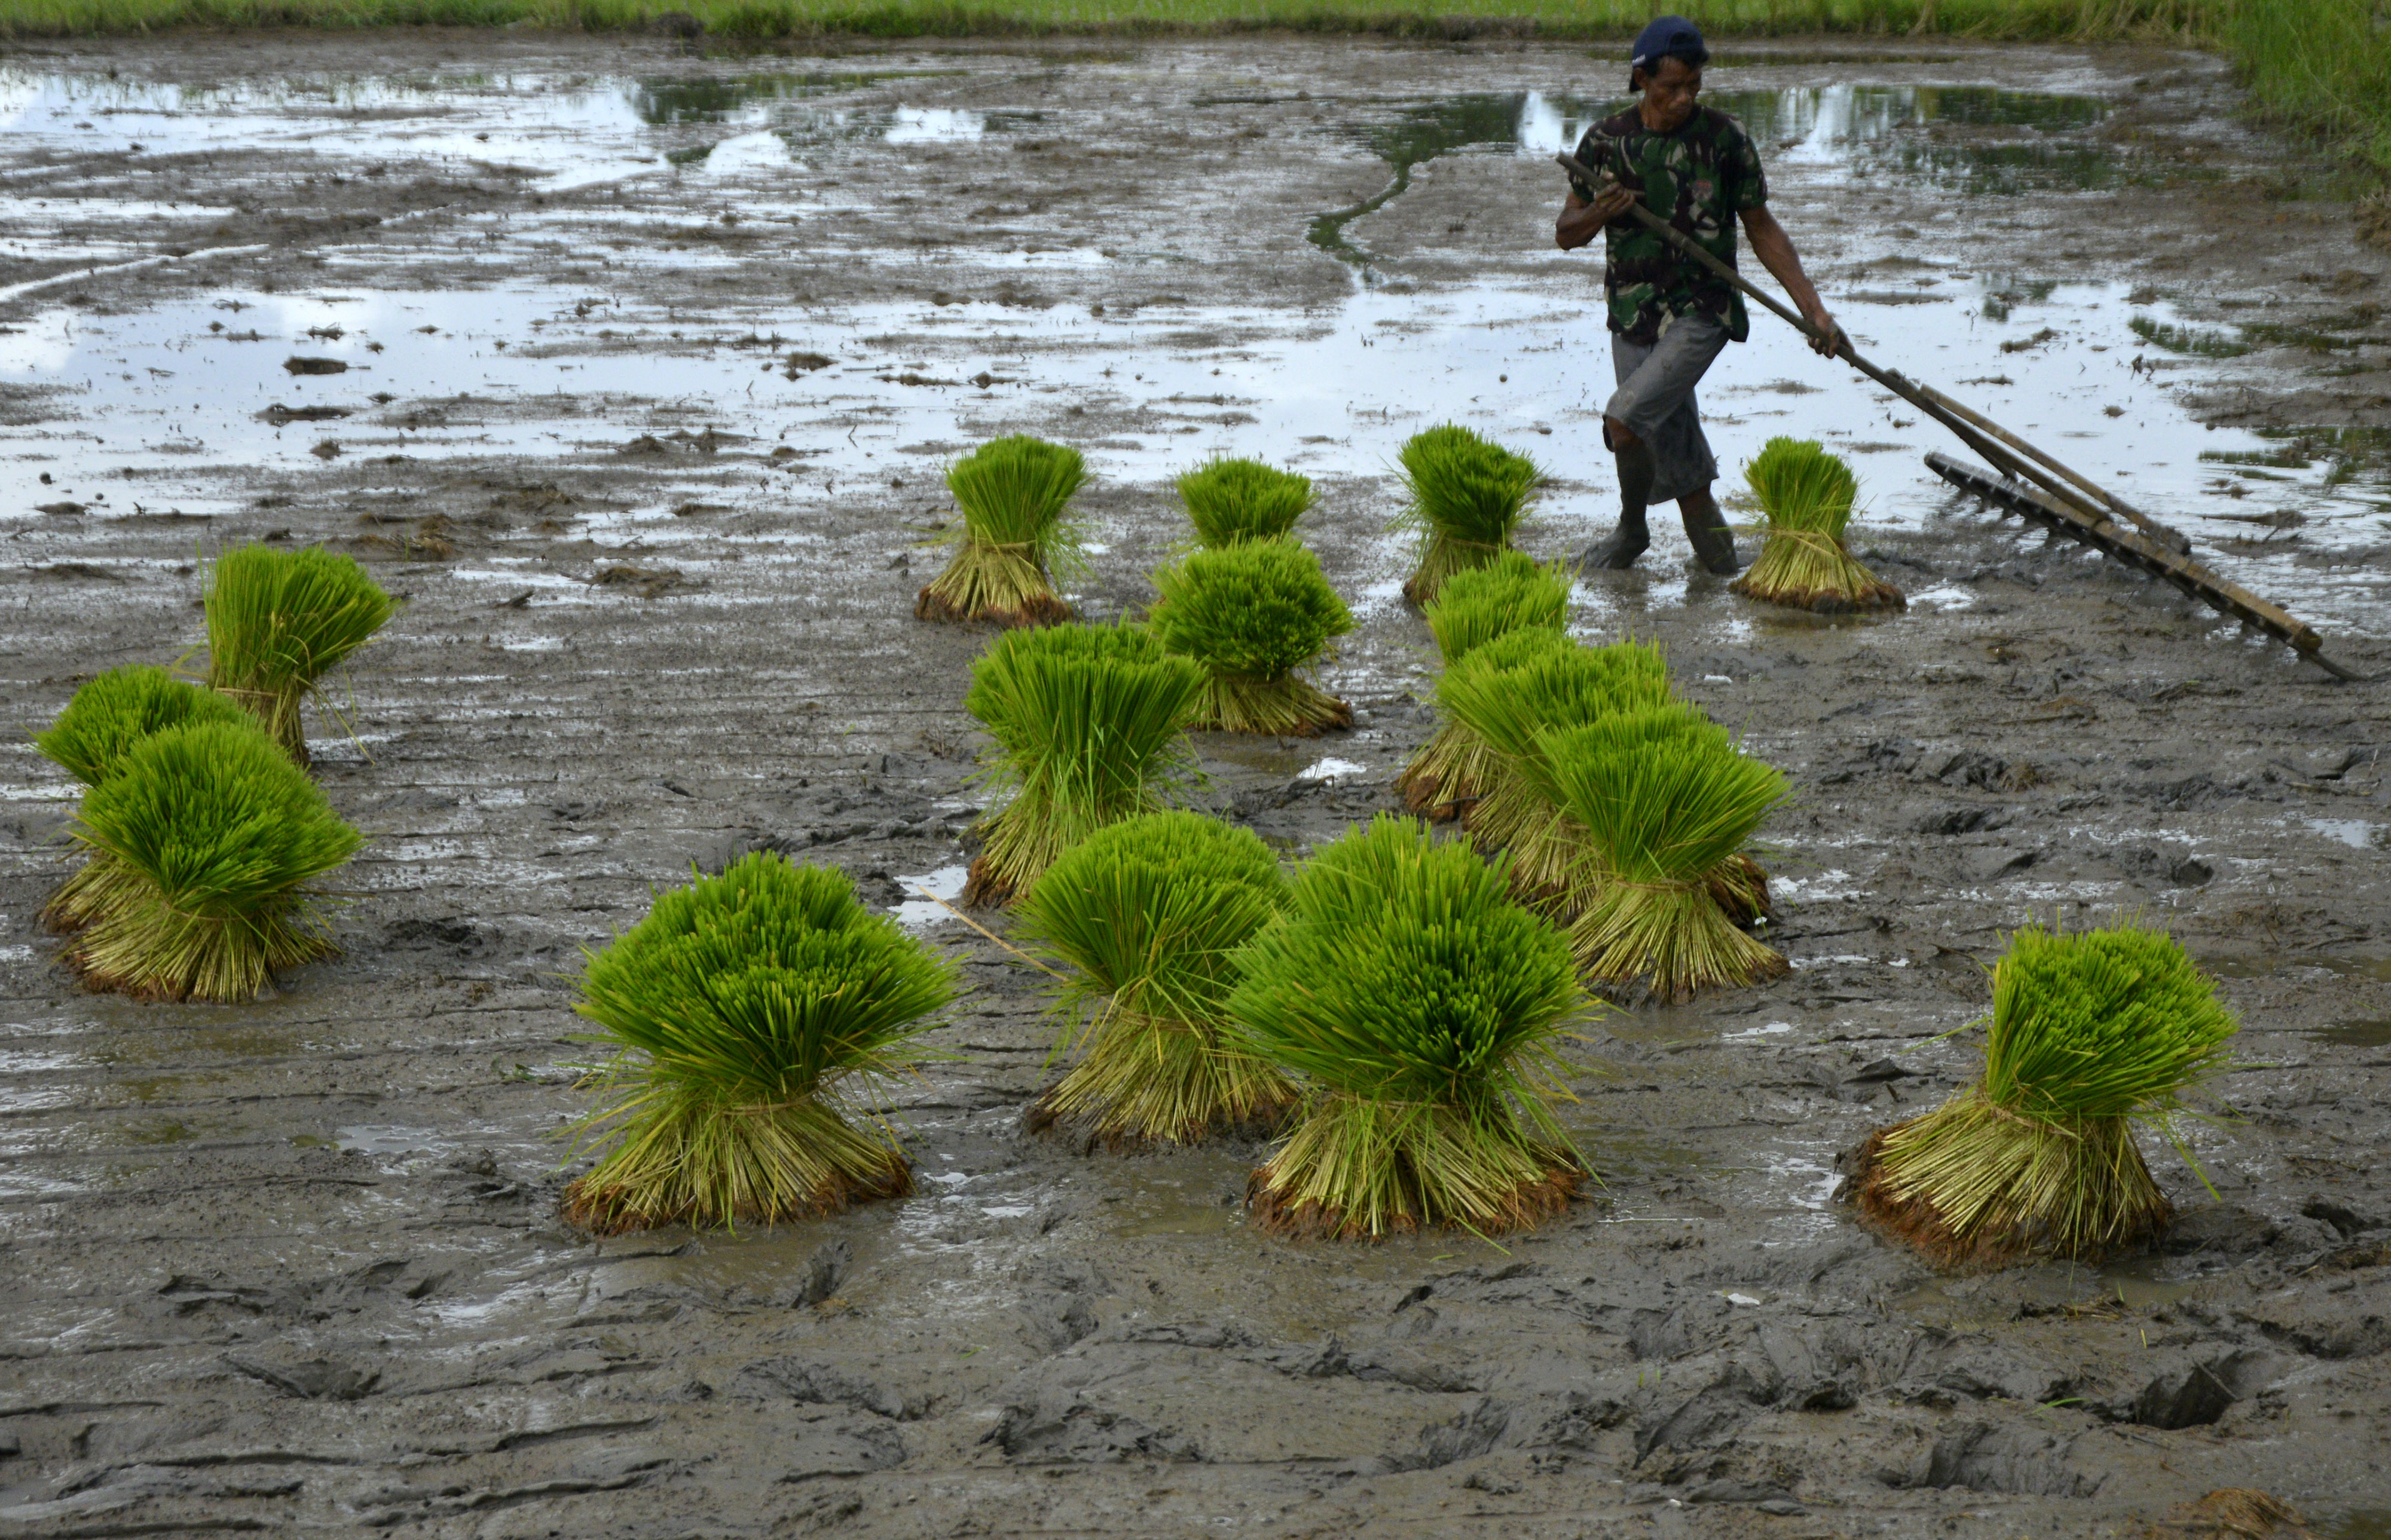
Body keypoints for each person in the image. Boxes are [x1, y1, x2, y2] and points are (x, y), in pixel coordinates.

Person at [1556, 16, 1841, 574]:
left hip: (1702, 310)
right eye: (1671, 88)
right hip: (1633, 311)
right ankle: (1719, 565)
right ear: (1640, 79)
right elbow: (1566, 233)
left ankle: (1631, 529)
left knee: (1625, 418)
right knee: (1671, 445)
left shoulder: (1724, 140)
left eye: (1694, 86)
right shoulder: (1606, 141)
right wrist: (1599, 212)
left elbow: (1761, 228)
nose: (1684, 98)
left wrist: (1814, 311)